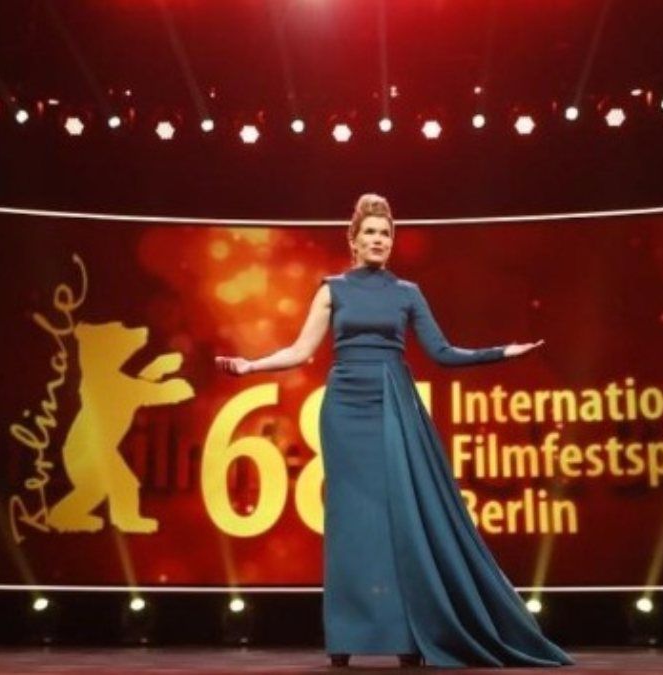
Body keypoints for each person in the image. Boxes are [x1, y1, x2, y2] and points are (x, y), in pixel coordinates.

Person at [215, 194, 574, 668]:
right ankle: (346, 636)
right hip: (345, 408)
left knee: (399, 521)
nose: (378, 240)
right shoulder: (332, 289)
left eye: (385, 233)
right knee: (351, 523)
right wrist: (250, 365)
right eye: (370, 232)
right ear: (354, 240)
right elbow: (301, 351)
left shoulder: (408, 293)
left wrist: (500, 353)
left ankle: (409, 636)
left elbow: (443, 353)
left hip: (392, 404)